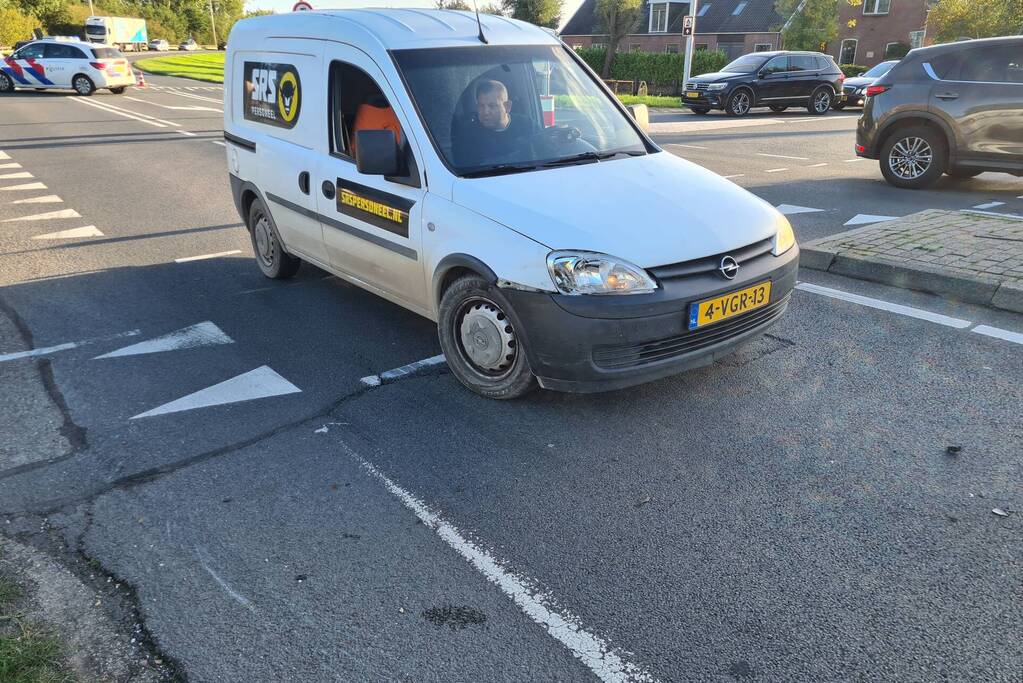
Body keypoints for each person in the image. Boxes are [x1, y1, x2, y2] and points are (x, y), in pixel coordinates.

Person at [453, 80, 532, 168]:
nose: (485, 112)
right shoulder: (467, 135)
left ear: (507, 106)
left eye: (492, 106)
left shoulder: (528, 125)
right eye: (481, 106)